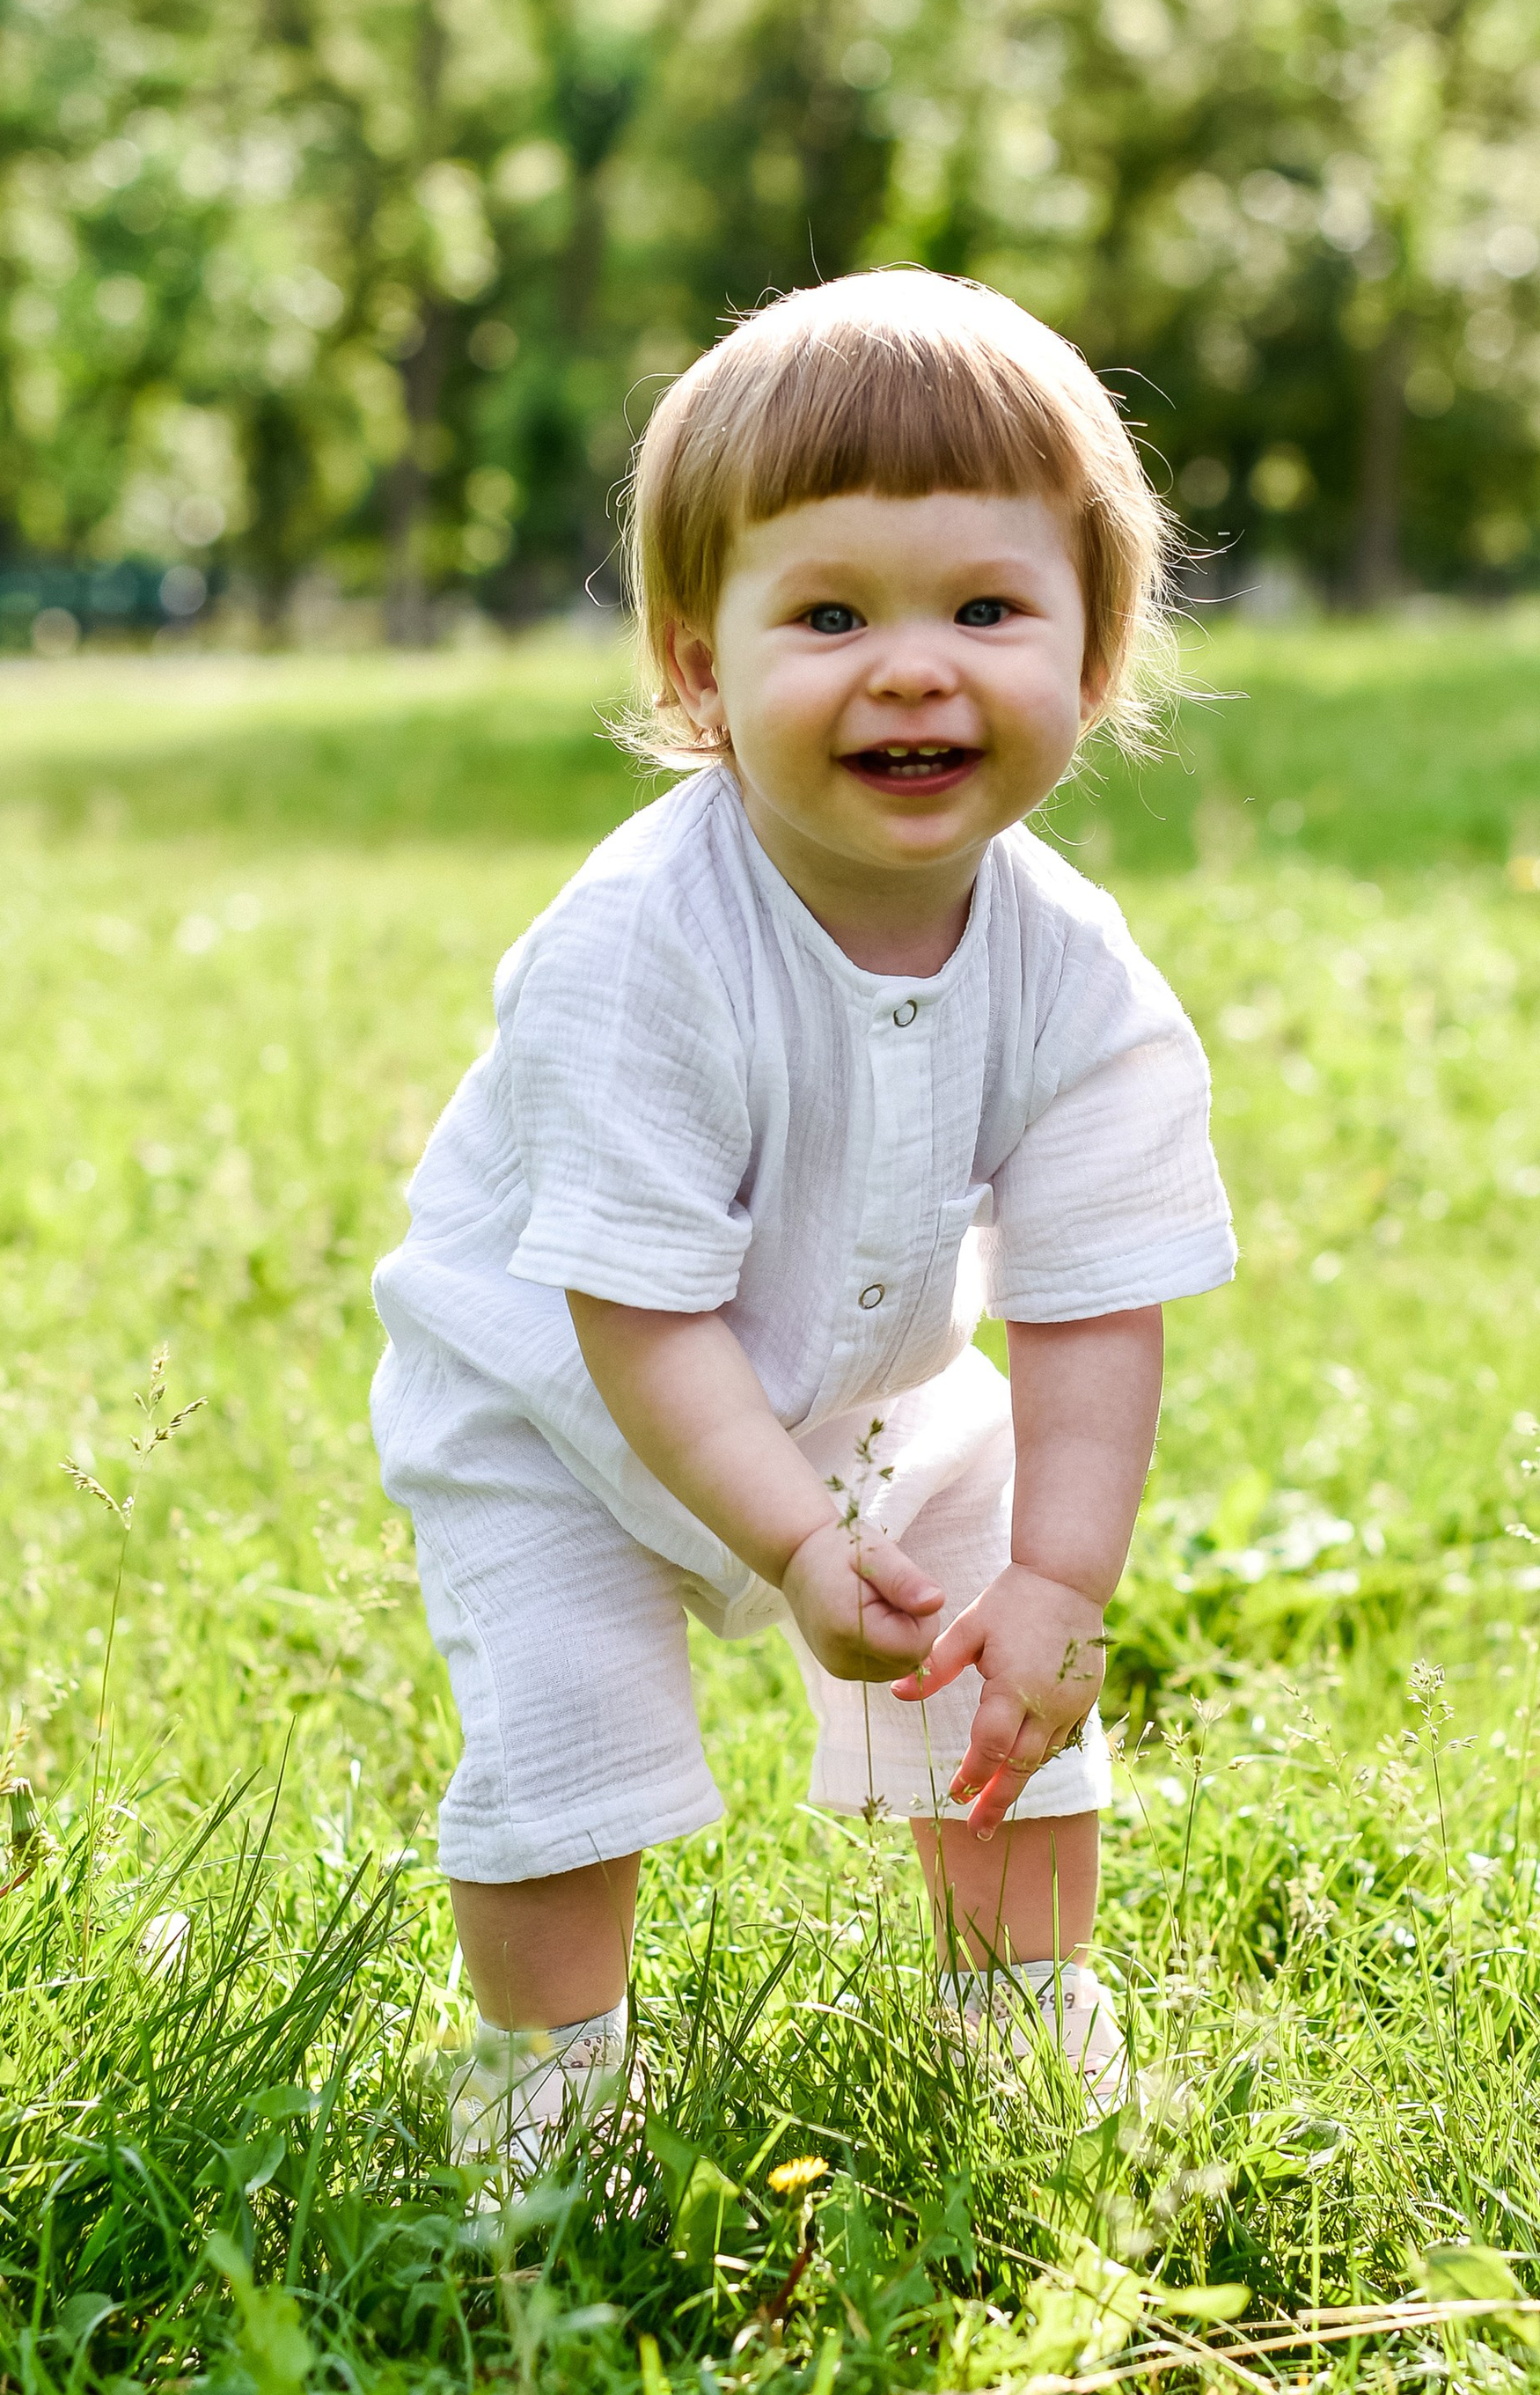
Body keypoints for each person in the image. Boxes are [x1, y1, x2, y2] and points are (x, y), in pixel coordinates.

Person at [371, 269, 1236, 2184]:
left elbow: (1093, 1309)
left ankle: (1017, 2022)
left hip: (874, 1398)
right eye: (829, 613)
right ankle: (547, 2099)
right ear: (698, 670)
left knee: (1015, 1690)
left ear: (1091, 658)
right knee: (570, 1756)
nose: (913, 667)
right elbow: (634, 1313)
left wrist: (1057, 1588)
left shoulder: (1072, 967)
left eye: (985, 609)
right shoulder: (640, 945)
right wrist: (782, 1537)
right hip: (562, 1413)